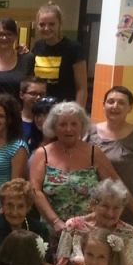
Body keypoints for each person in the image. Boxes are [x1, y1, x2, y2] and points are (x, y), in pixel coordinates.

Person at [30, 101, 119, 238]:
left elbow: (115, 189)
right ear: (54, 127)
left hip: (90, 231)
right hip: (52, 229)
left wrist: (100, 217)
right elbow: (35, 191)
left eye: (74, 124)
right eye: (63, 124)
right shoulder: (42, 154)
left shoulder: (94, 153)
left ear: (82, 126)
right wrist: (55, 222)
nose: (68, 129)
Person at [88, 86, 133, 235]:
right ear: (103, 105)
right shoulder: (89, 133)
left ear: (130, 108)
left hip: (126, 211)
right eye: (110, 101)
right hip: (92, 210)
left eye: (121, 103)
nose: (115, 106)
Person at [56, 179, 133, 265]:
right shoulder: (73, 226)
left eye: (116, 208)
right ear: (93, 205)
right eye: (105, 206)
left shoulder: (129, 233)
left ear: (122, 209)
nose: (110, 213)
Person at [0, 179, 49, 257]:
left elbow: (46, 262)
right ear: (2, 205)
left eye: (20, 206)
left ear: (28, 208)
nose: (14, 212)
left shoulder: (40, 230)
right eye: (10, 205)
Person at [32, 2, 87, 105]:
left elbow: (81, 88)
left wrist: (78, 111)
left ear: (60, 24)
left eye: (51, 24)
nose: (46, 28)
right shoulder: (37, 47)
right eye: (42, 24)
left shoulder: (73, 48)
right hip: (40, 108)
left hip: (64, 108)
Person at [0, 18, 35, 106]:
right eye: (0, 34)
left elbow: (32, 89)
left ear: (16, 36)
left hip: (17, 112)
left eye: (9, 34)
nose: (4, 38)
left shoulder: (27, 59)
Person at [18, 77, 47, 148]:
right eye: (33, 93)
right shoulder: (13, 120)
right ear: (21, 95)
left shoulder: (51, 122)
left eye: (42, 94)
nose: (38, 97)